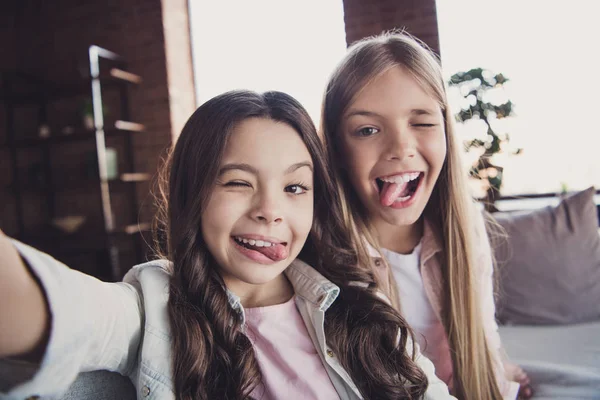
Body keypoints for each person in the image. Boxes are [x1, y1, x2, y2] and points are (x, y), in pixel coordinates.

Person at [0, 90, 455, 400]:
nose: (270, 210)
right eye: (238, 182)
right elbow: (50, 307)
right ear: (193, 194)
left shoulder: (359, 307)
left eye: (295, 188)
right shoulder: (153, 306)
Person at [320, 31, 532, 400]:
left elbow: (483, 334)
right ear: (337, 150)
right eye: (367, 130)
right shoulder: (327, 259)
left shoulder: (466, 232)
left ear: (446, 132)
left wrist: (499, 371)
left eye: (421, 122)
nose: (401, 148)